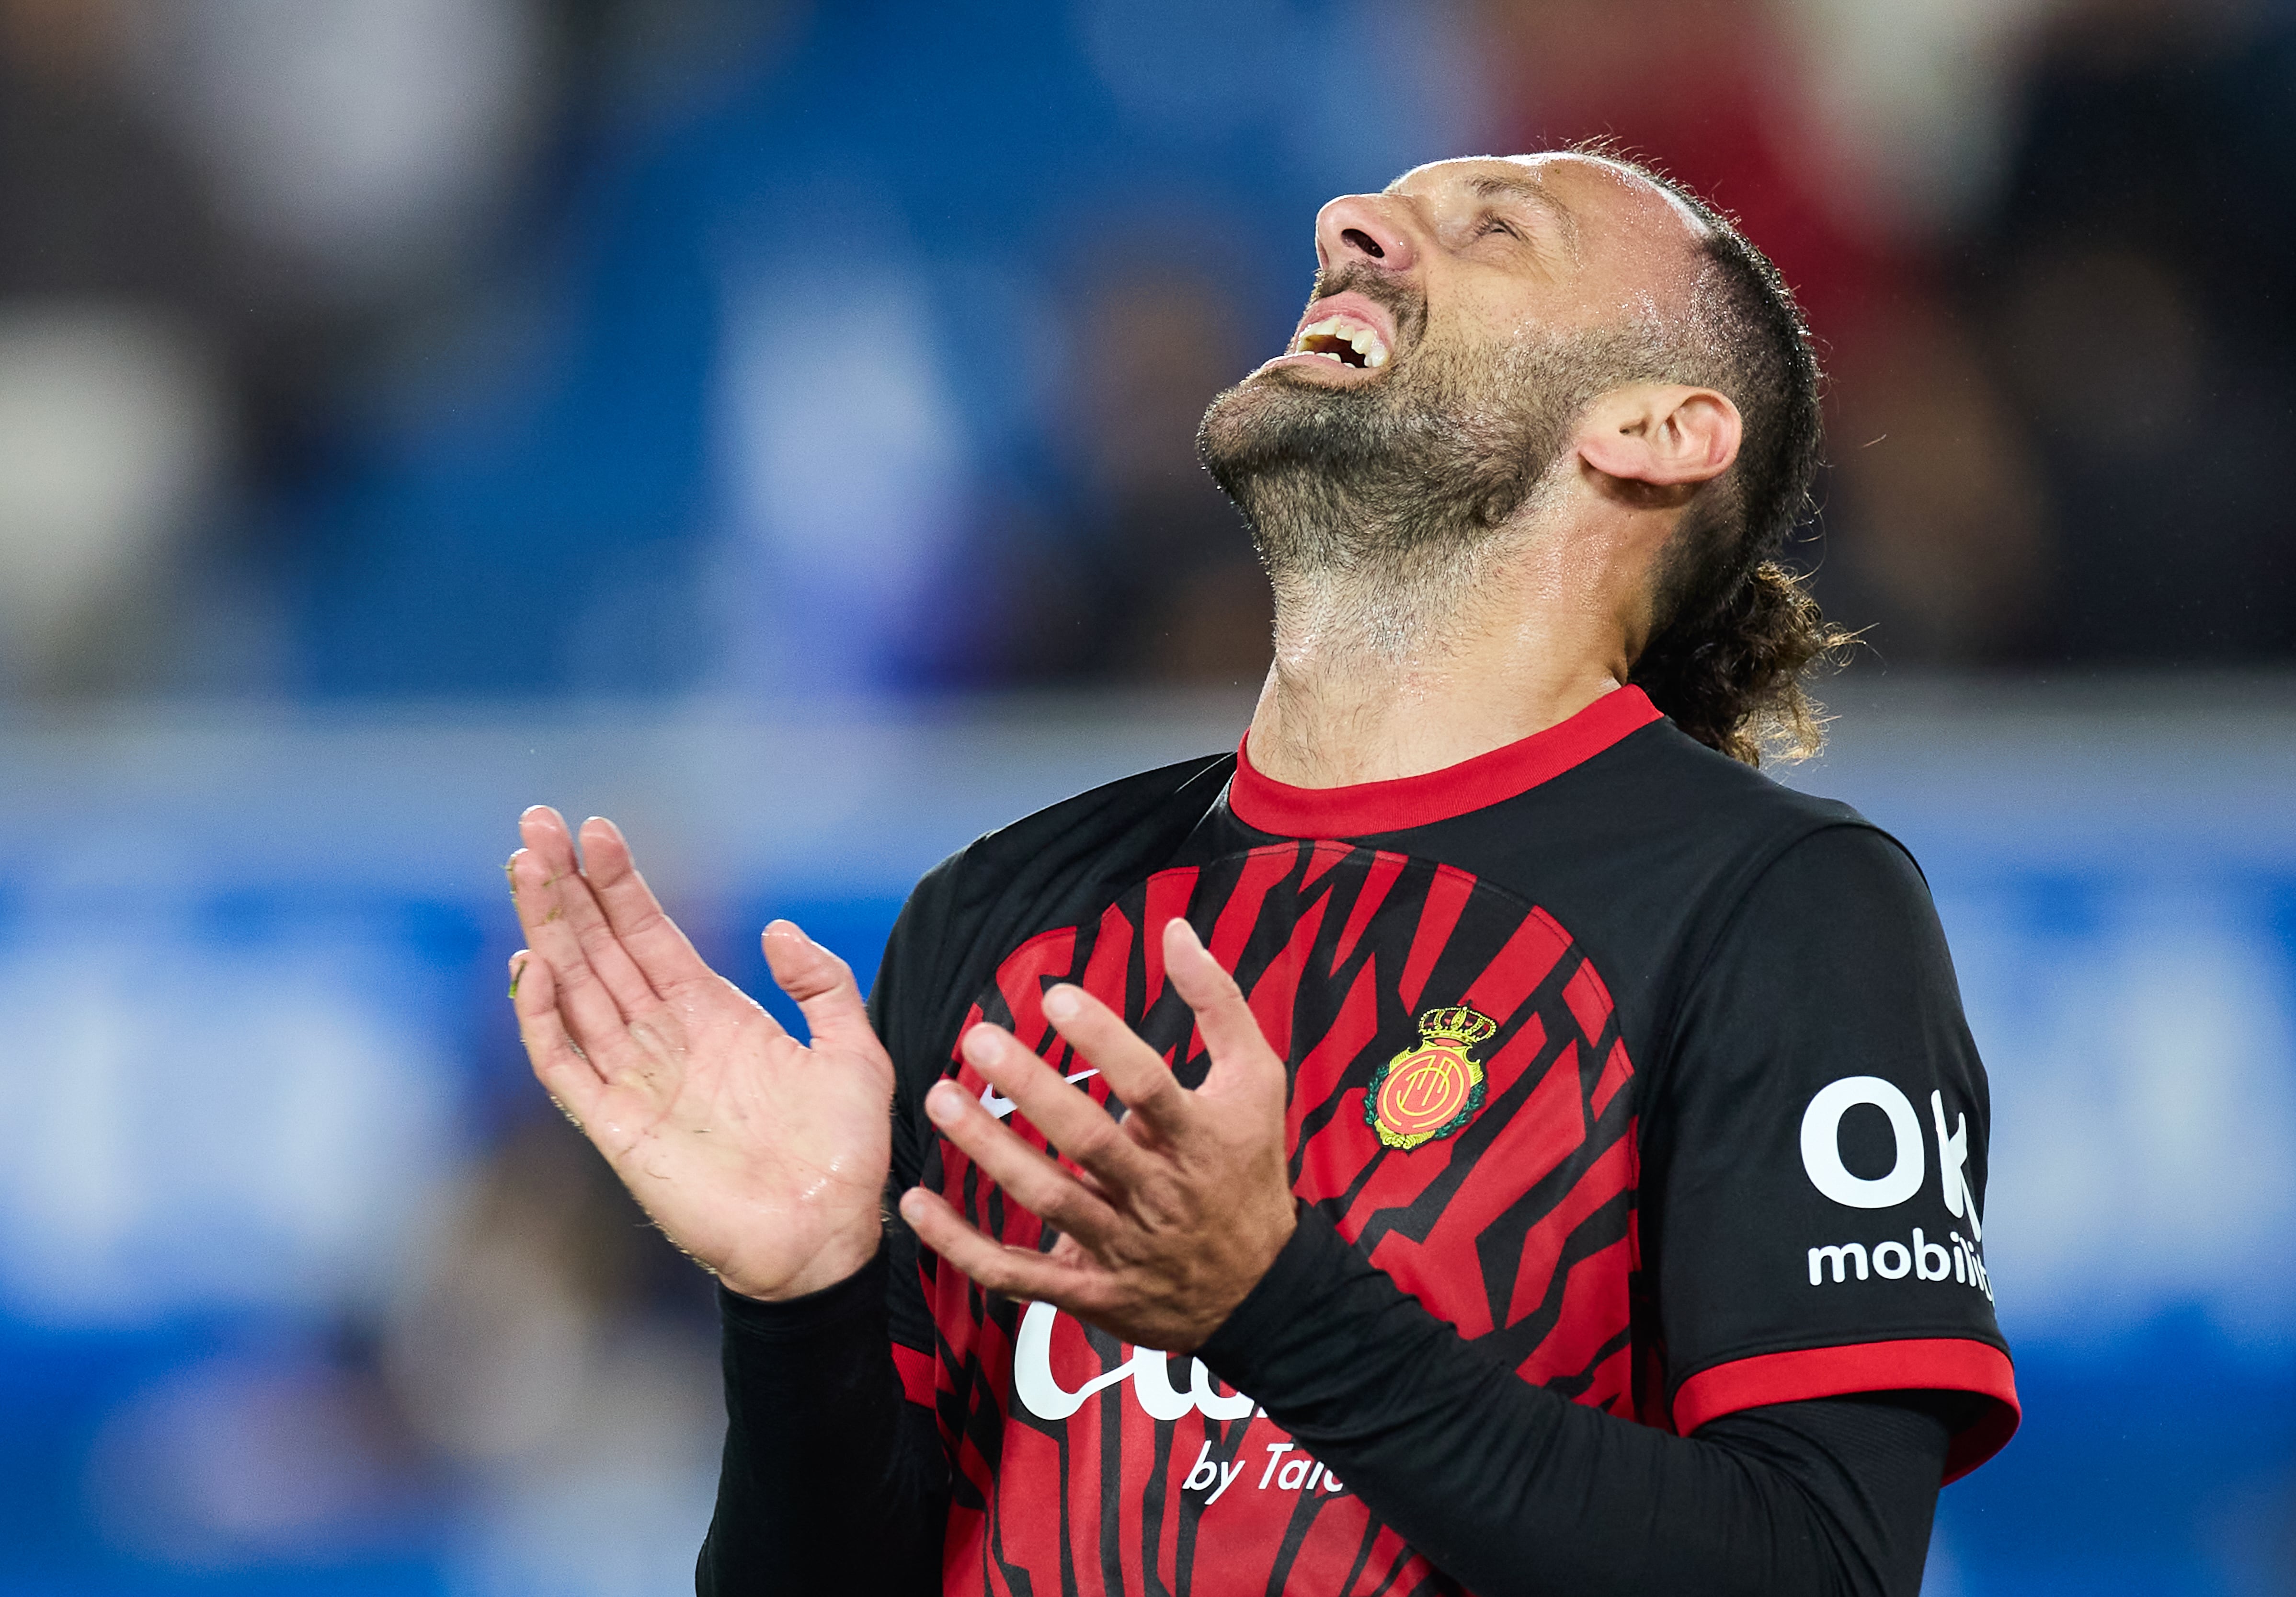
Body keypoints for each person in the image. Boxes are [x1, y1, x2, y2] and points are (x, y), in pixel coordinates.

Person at [503, 149, 2017, 1597]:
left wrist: (1271, 1302)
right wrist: (800, 1306)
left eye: (1496, 230)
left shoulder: (1778, 910)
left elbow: (1816, 1568)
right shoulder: (1000, 909)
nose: (1348, 221)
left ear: (1656, 431)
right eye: (1377, 207)